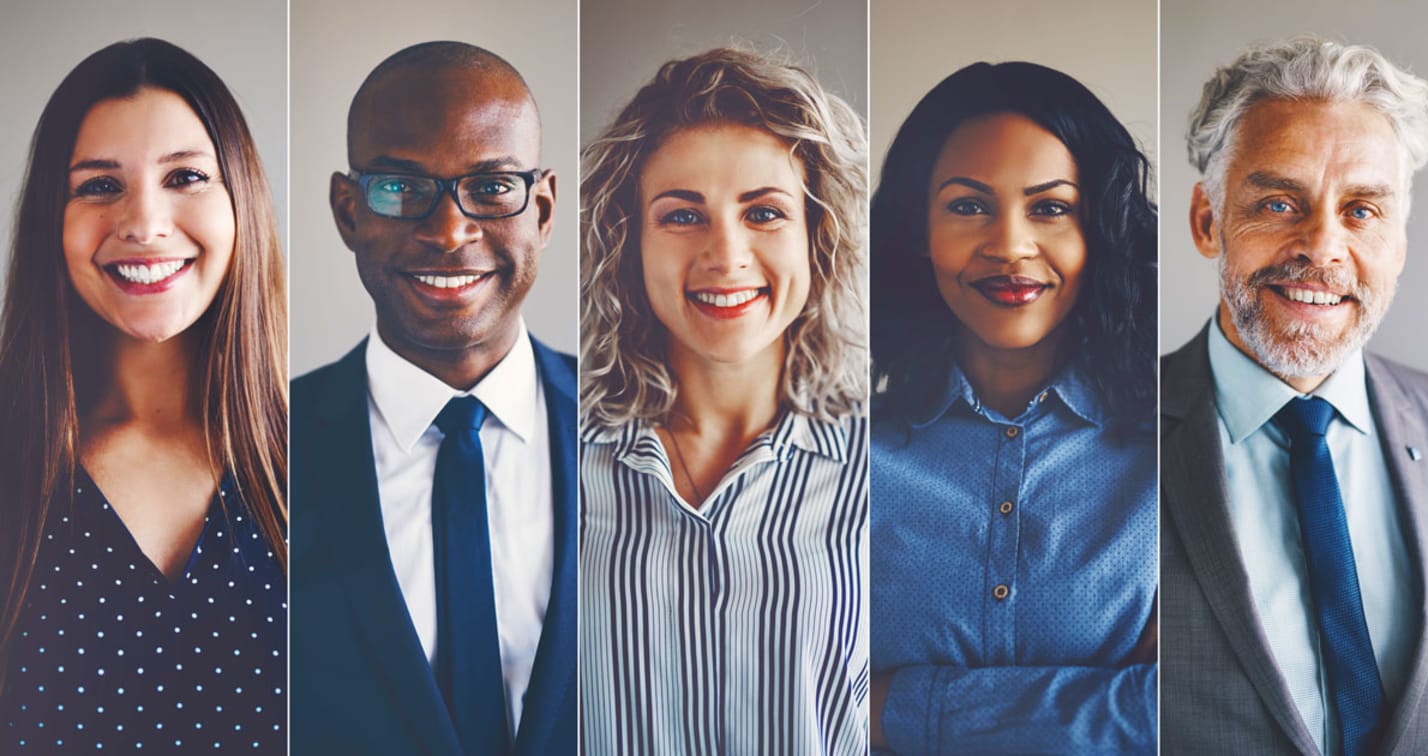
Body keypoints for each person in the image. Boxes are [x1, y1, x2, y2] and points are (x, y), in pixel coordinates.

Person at [578, 47, 869, 754]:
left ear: (816, 239)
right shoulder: (551, 463)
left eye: (764, 212)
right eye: (683, 217)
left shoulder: (886, 468)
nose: (727, 253)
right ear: (630, 243)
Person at [0, 38, 288, 752]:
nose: (144, 223)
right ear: (51, 221)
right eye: (100, 185)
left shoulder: (344, 458)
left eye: (185, 176)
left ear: (240, 202)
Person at [289, 41, 576, 755]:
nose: (450, 231)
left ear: (542, 208)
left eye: (491, 187)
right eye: (400, 186)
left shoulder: (645, 426)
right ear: (347, 210)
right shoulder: (255, 445)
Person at [867, 61, 1158, 754]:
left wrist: (892, 709)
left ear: (1101, 228)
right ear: (918, 231)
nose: (1009, 247)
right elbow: (796, 700)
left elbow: (1169, 714)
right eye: (968, 206)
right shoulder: (844, 461)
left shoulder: (1175, 453)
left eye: (1050, 208)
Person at [1163, 36, 1428, 754]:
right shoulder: (1108, 433)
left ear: (1399, 241)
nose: (1322, 248)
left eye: (1362, 212)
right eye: (1280, 202)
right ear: (1206, 219)